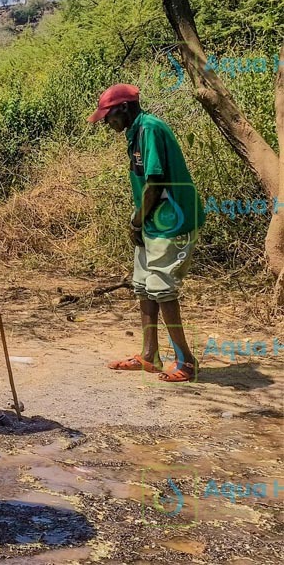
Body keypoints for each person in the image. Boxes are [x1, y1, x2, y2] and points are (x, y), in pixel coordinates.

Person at [88, 84, 204, 382]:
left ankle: (186, 362)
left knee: (163, 289)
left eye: (108, 116)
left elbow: (154, 182)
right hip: (153, 219)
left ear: (124, 108)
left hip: (171, 220)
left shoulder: (149, 128)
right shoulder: (135, 131)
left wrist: (137, 221)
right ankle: (149, 355)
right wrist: (139, 219)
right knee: (143, 287)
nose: (106, 122)